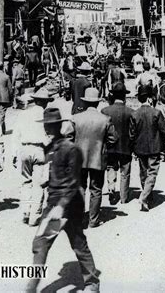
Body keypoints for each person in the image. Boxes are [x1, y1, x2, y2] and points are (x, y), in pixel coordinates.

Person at [29, 107, 100, 293]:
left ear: (57, 126)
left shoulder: (71, 149)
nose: (46, 129)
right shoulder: (50, 148)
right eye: (45, 125)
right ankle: (32, 285)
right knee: (41, 243)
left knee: (77, 243)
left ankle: (92, 282)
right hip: (54, 204)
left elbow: (74, 181)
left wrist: (61, 207)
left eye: (50, 126)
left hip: (68, 205)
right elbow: (51, 173)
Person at [71, 87, 118, 227]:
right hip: (98, 158)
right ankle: (93, 220)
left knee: (79, 188)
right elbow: (113, 138)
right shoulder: (105, 119)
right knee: (96, 189)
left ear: (84, 102)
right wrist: (104, 146)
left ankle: (78, 219)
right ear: (97, 103)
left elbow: (68, 137)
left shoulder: (76, 118)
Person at [13, 87, 54, 225]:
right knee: (38, 184)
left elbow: (16, 135)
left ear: (35, 100)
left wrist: (14, 153)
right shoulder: (46, 115)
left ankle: (25, 210)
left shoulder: (23, 114)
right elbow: (49, 137)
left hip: (24, 148)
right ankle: (35, 214)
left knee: (26, 182)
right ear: (46, 102)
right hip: (39, 150)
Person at [129, 85, 165, 212]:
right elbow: (163, 131)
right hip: (154, 148)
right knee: (152, 173)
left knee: (143, 172)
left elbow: (131, 134)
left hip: (140, 148)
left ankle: (147, 194)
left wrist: (132, 148)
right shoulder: (156, 113)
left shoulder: (135, 114)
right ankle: (144, 197)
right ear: (150, 98)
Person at [101, 82, 133, 205]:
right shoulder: (130, 112)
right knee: (125, 172)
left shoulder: (105, 111)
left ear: (113, 96)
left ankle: (111, 188)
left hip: (110, 146)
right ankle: (124, 197)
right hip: (126, 147)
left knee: (111, 167)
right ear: (124, 96)